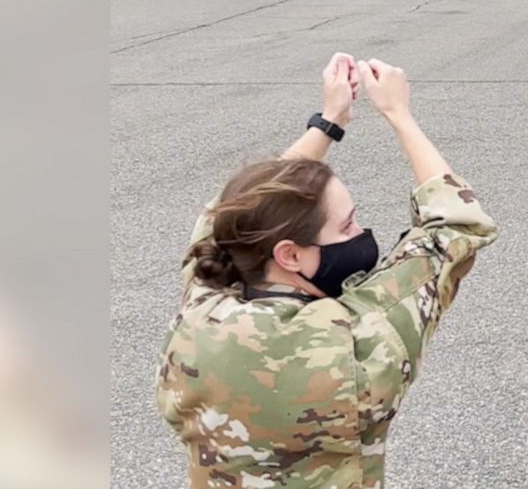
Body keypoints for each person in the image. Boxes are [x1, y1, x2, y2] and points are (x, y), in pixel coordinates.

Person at [158, 52, 497, 488]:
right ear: (290, 255)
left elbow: (220, 219)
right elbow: (458, 224)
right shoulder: (361, 337)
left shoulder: (200, 308)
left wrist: (329, 121)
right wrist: (399, 115)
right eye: (347, 224)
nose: (360, 231)